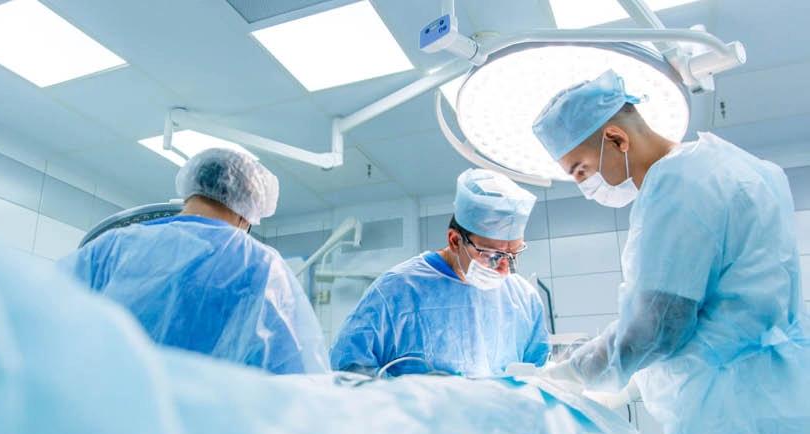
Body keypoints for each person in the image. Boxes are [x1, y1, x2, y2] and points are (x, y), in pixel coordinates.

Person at [531, 69, 809, 434]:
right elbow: (722, 314)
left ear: (616, 139)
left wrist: (569, 374)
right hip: (783, 408)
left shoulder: (676, 185)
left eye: (581, 170)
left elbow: (656, 327)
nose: (585, 185)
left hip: (733, 430)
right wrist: (630, 383)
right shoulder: (744, 168)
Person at [59, 148, 328, 375]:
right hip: (202, 430)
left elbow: (48, 318)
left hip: (99, 417)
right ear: (247, 212)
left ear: (191, 192)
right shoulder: (261, 265)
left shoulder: (112, 246)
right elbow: (298, 375)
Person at [330, 169, 549, 377]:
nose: (505, 269)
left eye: (514, 254)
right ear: (455, 241)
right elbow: (348, 369)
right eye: (492, 254)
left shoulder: (524, 299)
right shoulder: (396, 290)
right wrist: (417, 399)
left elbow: (539, 376)